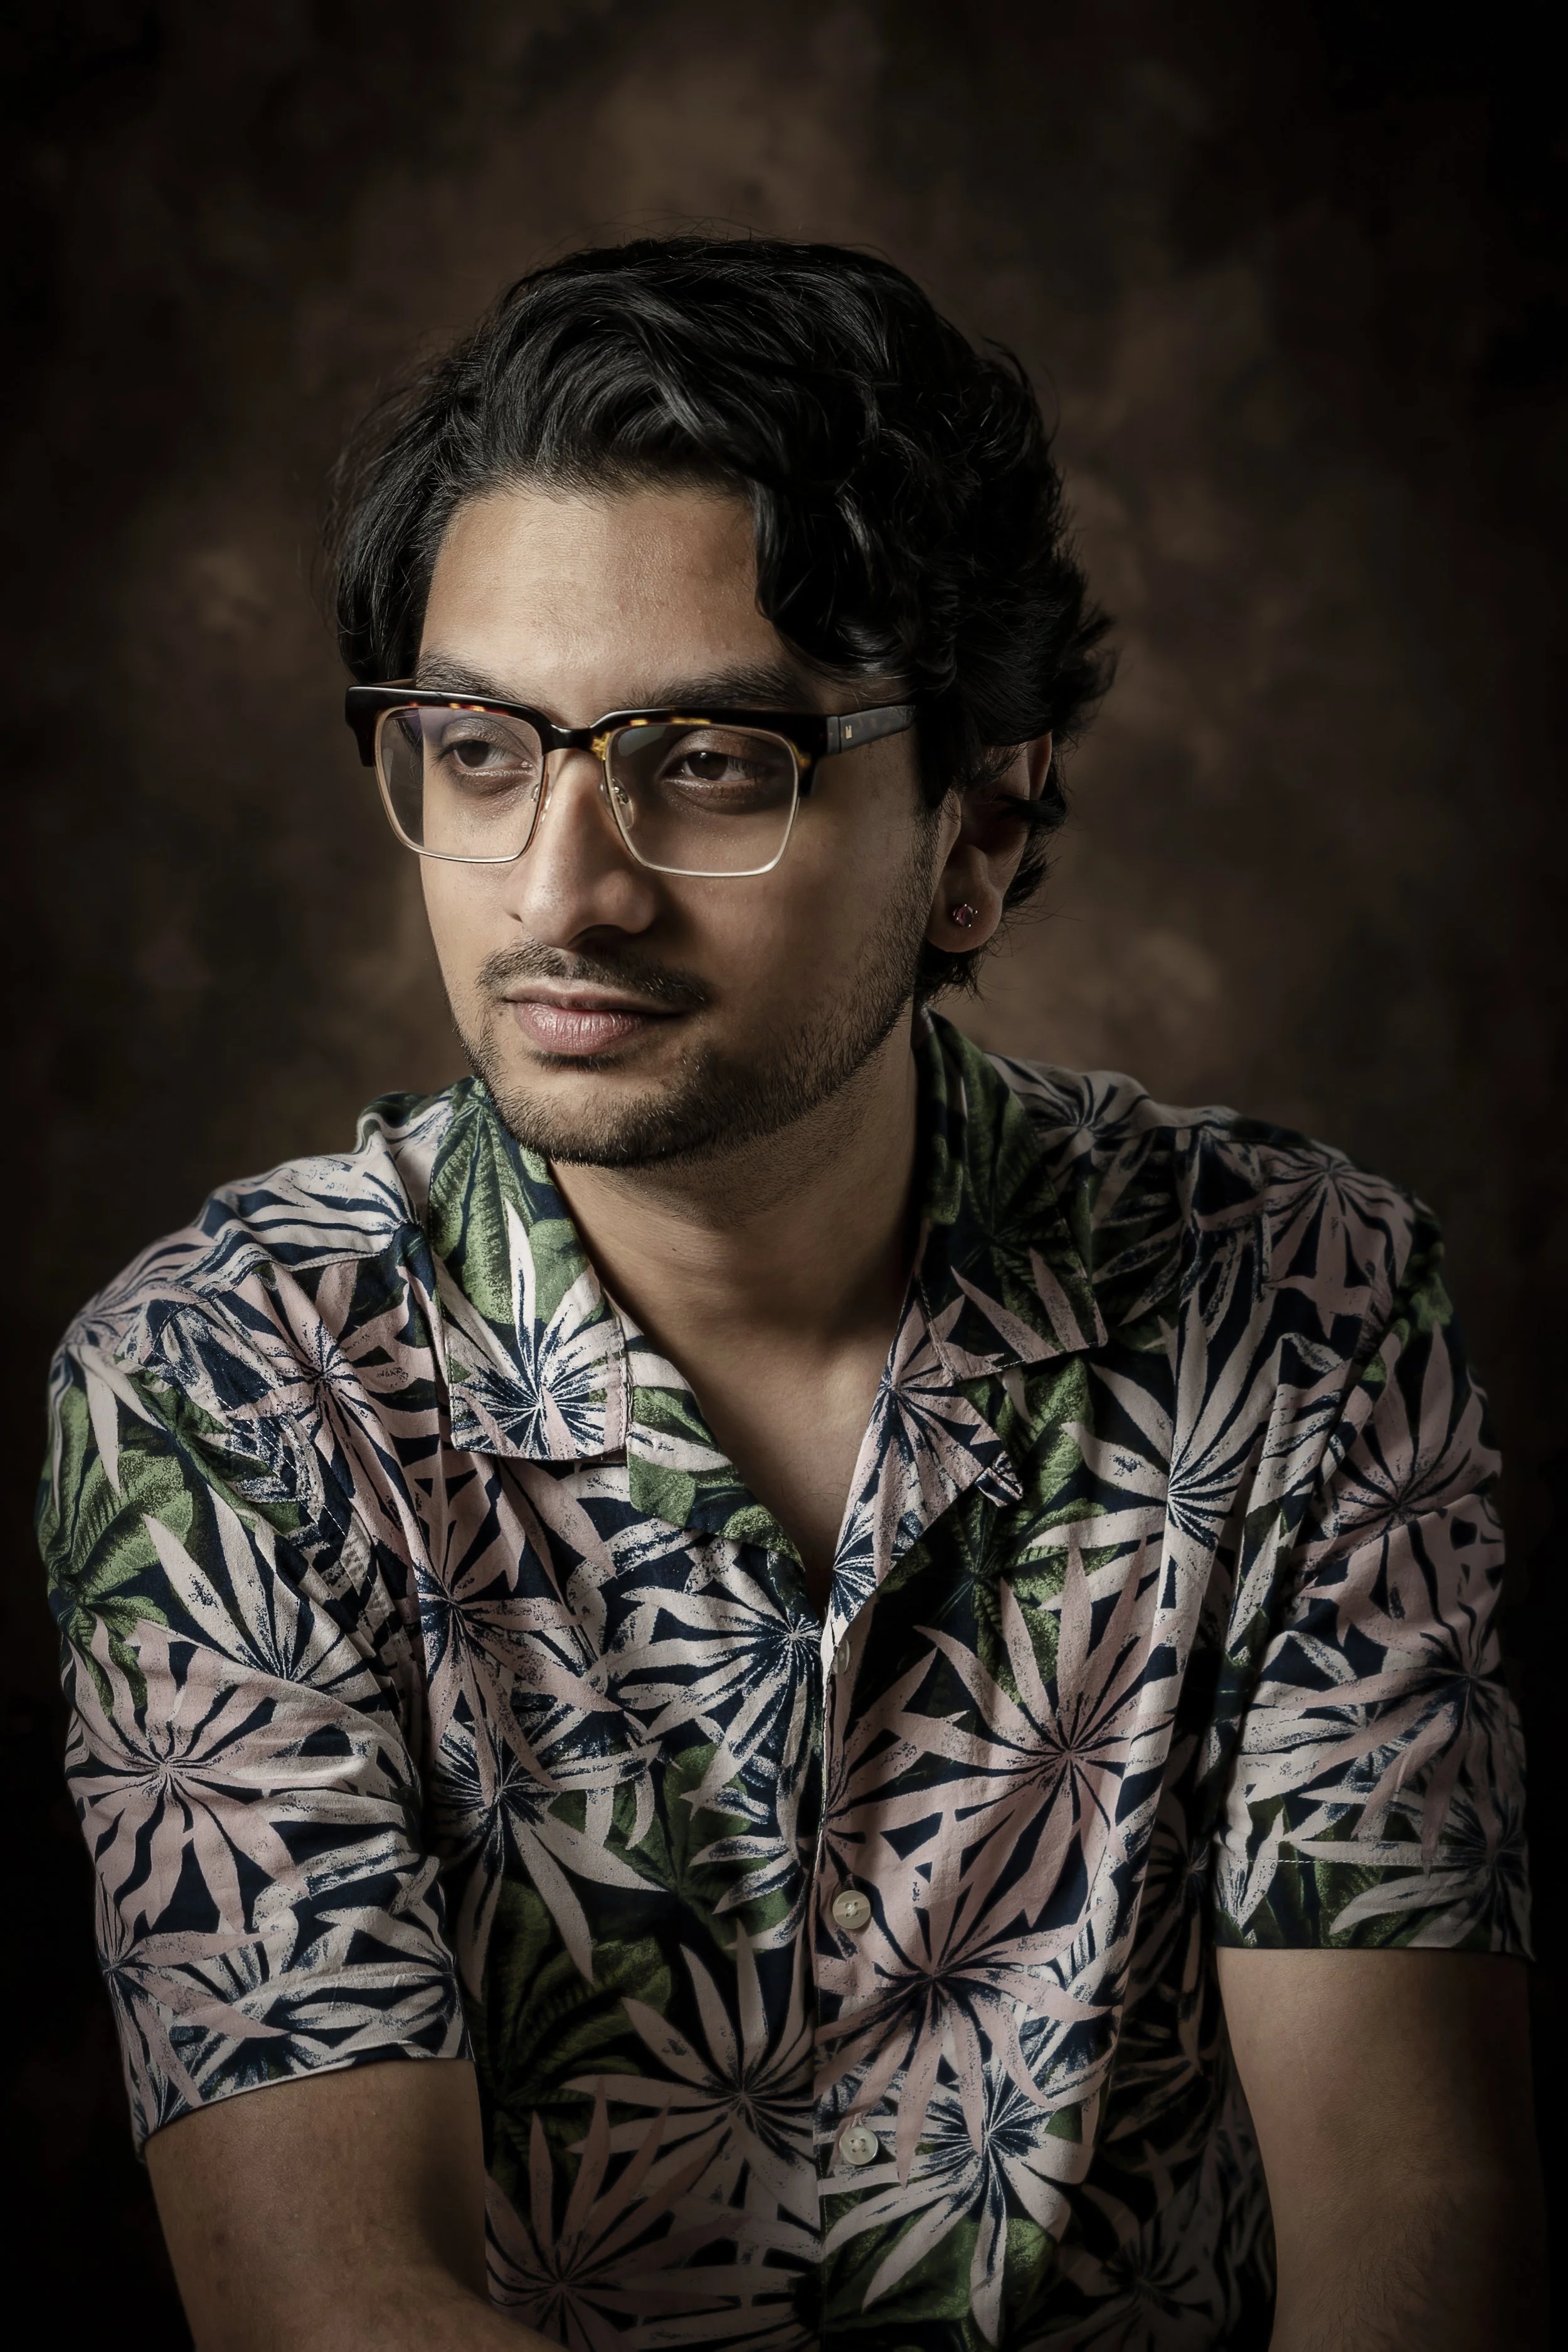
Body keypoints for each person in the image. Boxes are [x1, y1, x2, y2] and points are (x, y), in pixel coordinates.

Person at [38, 235, 1542, 2352]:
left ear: (979, 832)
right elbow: (332, 2298)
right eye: (479, 749)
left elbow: (1417, 2215)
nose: (559, 889)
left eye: (713, 762)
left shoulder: (1297, 1303)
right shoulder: (226, 1384)